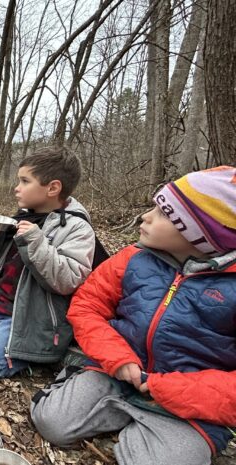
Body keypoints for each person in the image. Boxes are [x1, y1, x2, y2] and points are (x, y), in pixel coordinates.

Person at [30, 166, 236, 465]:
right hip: (117, 373)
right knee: (52, 423)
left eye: (164, 214)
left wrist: (167, 388)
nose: (146, 217)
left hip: (190, 404)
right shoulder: (134, 258)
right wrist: (118, 357)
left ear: (203, 234)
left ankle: (146, 433)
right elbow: (87, 305)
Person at [0, 146, 95, 378]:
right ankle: (4, 342)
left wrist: (35, 241)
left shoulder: (76, 228)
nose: (17, 188)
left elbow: (68, 280)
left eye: (25, 181)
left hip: (26, 316)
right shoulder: (23, 215)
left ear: (53, 188)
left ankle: (40, 356)